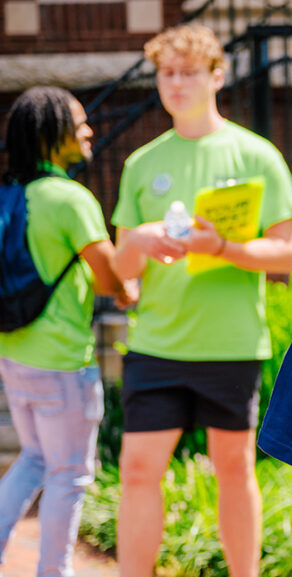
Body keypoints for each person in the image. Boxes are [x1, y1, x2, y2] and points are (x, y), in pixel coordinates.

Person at [110, 24, 292, 577]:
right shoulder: (141, 163)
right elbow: (119, 272)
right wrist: (141, 242)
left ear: (217, 76)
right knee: (139, 471)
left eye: (188, 72)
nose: (175, 83)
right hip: (157, 344)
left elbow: (288, 253)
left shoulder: (256, 154)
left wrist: (221, 247)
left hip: (230, 343)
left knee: (234, 469)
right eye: (166, 73)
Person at [0, 86, 136, 577]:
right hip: (62, 361)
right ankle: (53, 572)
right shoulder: (69, 199)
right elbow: (108, 277)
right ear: (52, 132)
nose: (89, 130)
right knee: (70, 475)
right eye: (78, 122)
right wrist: (129, 289)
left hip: (15, 353)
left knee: (35, 457)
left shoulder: (10, 193)